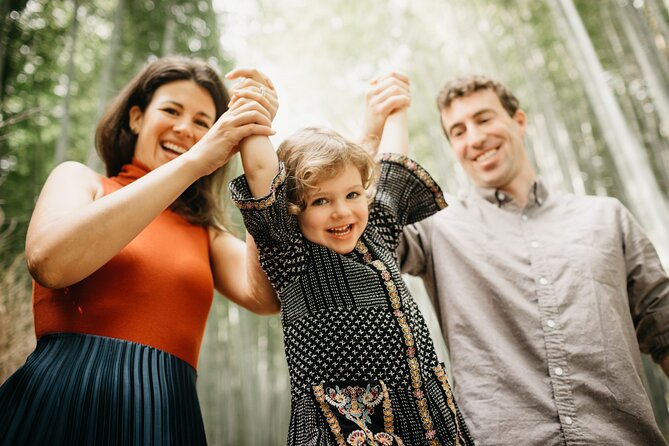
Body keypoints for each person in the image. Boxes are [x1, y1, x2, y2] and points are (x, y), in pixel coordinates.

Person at [369, 74, 669, 445]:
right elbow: (363, 237)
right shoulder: (435, 229)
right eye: (458, 131)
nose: (475, 138)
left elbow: (664, 328)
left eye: (483, 119)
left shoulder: (606, 217)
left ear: (520, 121)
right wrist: (375, 134)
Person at [0, 56, 280, 446]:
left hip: (166, 413)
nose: (185, 129)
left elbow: (266, 295)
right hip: (63, 397)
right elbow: (50, 261)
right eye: (171, 110)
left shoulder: (206, 235)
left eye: (203, 122)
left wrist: (256, 147)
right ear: (136, 118)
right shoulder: (81, 180)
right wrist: (196, 161)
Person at [226, 71, 474, 446]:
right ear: (292, 209)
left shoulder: (376, 232)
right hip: (345, 429)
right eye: (321, 201)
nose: (342, 212)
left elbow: (394, 162)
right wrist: (254, 109)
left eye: (352, 195)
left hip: (431, 424)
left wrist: (397, 107)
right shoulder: (291, 256)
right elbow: (262, 172)